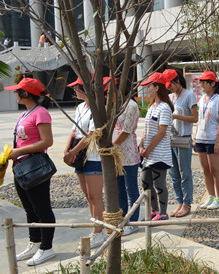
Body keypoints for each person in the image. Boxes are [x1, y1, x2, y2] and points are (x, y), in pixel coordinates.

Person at [7, 77, 57, 266]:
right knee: (29, 208)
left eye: (17, 90)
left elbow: (47, 141)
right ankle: (35, 243)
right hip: (21, 167)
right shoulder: (25, 113)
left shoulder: (41, 113)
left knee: (42, 208)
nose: (15, 93)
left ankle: (47, 247)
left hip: (34, 167)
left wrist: (19, 151)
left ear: (25, 93)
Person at [63, 76, 107, 248]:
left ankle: (99, 231)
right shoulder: (80, 107)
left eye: (77, 88)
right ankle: (96, 226)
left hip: (93, 155)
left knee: (95, 196)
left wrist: (72, 152)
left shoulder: (98, 108)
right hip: (79, 155)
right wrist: (67, 150)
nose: (75, 91)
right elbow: (74, 130)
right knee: (88, 196)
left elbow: (91, 136)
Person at [163, 68, 198, 218]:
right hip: (171, 139)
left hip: (183, 138)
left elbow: (195, 118)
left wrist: (177, 116)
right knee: (173, 173)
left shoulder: (189, 95)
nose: (169, 88)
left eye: (171, 85)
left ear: (177, 81)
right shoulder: (170, 97)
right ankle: (179, 201)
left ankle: (187, 203)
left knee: (185, 173)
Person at [139, 72, 174, 221]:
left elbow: (161, 132)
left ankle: (163, 213)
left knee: (159, 184)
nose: (147, 89)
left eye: (149, 86)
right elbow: (146, 129)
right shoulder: (151, 106)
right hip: (148, 154)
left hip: (159, 154)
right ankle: (153, 210)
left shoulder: (164, 108)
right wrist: (141, 145)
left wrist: (148, 149)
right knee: (145, 182)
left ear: (157, 87)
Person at [112, 82, 142, 235]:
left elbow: (126, 131)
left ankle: (133, 221)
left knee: (131, 188)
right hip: (117, 152)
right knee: (120, 188)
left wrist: (112, 146)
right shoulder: (118, 105)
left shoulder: (131, 105)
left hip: (128, 151)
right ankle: (123, 218)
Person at [194, 71, 219, 209]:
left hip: (212, 139)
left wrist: (218, 141)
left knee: (215, 170)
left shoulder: (218, 100)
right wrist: (195, 137)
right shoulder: (202, 99)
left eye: (204, 82)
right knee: (205, 170)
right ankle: (211, 196)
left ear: (212, 84)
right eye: (200, 82)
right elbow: (199, 119)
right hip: (201, 138)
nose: (201, 85)